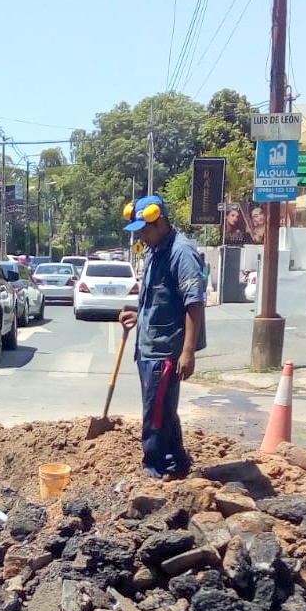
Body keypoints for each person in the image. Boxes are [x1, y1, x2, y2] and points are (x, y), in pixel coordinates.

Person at [118, 195, 206, 479]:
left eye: (145, 229)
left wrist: (188, 351)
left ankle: (154, 467)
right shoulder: (156, 249)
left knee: (155, 414)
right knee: (164, 410)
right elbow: (159, 299)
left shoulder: (181, 253)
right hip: (150, 345)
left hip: (165, 350)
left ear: (161, 221)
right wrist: (138, 315)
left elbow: (194, 303)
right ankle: (177, 460)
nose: (142, 235)